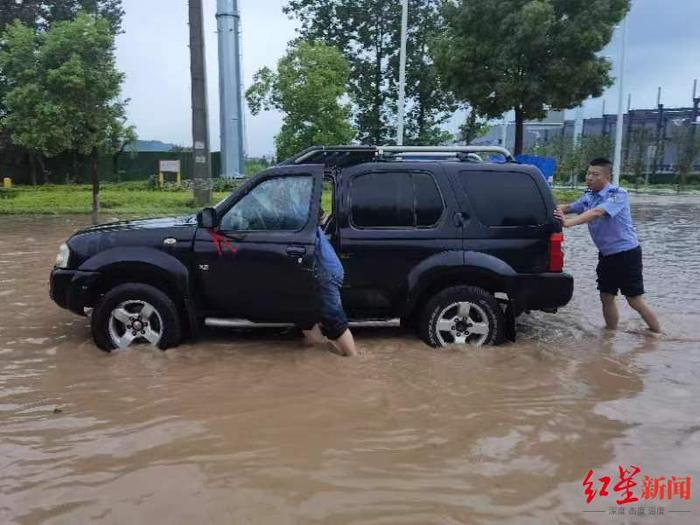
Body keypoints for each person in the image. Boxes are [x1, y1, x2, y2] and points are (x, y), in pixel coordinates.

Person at [554, 158, 661, 333]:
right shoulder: (590, 196)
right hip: (606, 255)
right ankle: (610, 334)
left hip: (627, 253)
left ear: (607, 177)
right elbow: (568, 207)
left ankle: (657, 334)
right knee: (606, 296)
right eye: (588, 173)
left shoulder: (618, 194)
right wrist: (548, 208)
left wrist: (569, 223)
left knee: (633, 299)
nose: (589, 177)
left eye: (595, 174)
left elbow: (597, 212)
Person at [301, 210, 359, 357]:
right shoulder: (303, 212)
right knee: (304, 315)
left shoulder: (299, 213)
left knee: (333, 317)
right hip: (319, 271)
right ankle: (322, 348)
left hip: (326, 272)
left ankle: (354, 360)